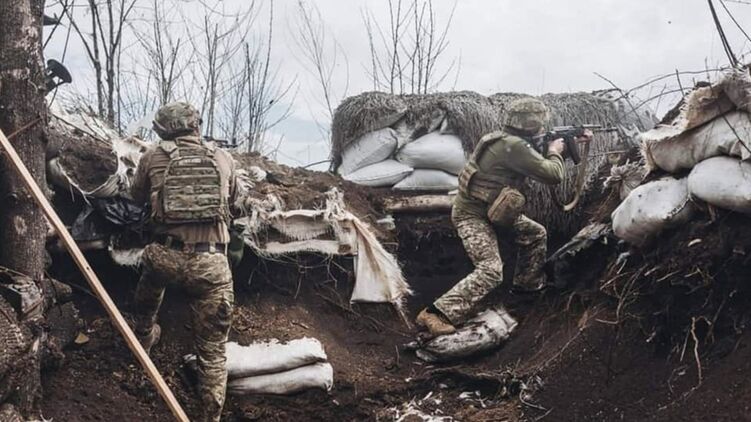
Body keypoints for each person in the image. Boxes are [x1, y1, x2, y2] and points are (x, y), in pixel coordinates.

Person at [416, 97, 592, 336]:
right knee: (491, 270)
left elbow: (534, 161)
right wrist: (554, 151)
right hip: (471, 215)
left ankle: (526, 288)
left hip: (496, 212)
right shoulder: (515, 147)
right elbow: (553, 175)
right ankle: (436, 313)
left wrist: (569, 145)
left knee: (535, 234)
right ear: (533, 123)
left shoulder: (504, 140)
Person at [130, 102, 243, 422]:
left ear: (163, 130)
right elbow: (237, 203)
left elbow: (135, 197)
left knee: (151, 275)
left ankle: (143, 334)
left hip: (166, 256)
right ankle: (210, 416)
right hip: (210, 263)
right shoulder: (223, 158)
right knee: (213, 352)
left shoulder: (152, 156)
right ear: (196, 126)